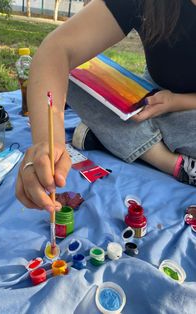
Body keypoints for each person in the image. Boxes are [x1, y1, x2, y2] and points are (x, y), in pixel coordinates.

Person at [16, 0, 196, 211]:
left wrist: (176, 102)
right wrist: (48, 143)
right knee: (74, 75)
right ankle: (134, 136)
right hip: (153, 98)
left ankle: (168, 161)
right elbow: (58, 50)